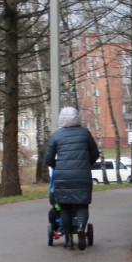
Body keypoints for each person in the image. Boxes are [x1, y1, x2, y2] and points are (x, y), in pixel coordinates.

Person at [44, 106, 100, 250]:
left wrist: (58, 166)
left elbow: (48, 158)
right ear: (77, 118)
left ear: (61, 119)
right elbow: (95, 154)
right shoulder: (85, 133)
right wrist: (86, 164)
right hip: (82, 175)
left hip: (63, 176)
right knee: (82, 205)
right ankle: (81, 228)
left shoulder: (56, 135)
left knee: (65, 206)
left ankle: (68, 240)